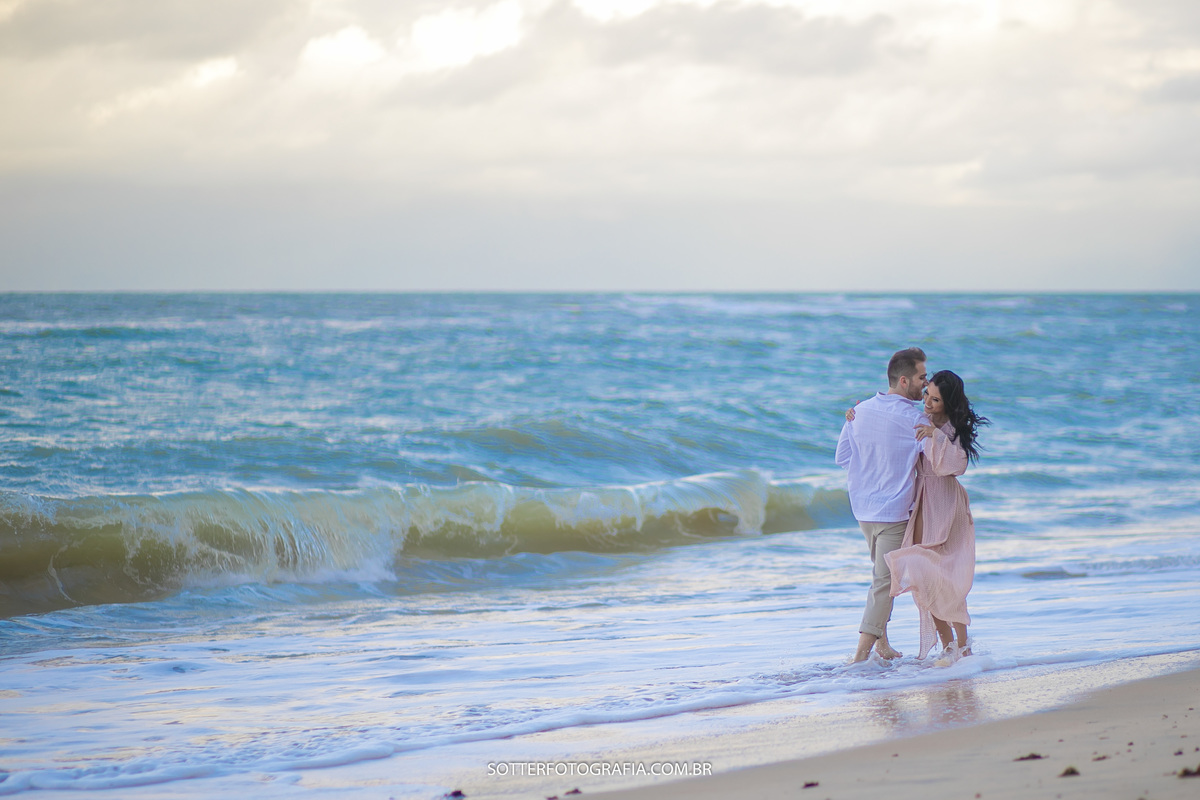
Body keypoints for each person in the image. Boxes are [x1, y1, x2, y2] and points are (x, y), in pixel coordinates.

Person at [885, 370, 989, 663]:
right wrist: (859, 415)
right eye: (927, 395)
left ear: (948, 403)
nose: (927, 403)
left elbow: (955, 466)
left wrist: (937, 436)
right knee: (924, 576)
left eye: (935, 400)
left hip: (947, 503)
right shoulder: (920, 419)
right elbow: (889, 431)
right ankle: (947, 646)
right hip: (923, 502)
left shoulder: (952, 428)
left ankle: (964, 646)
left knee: (947, 578)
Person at [835, 347, 928, 663]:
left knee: (881, 575)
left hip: (862, 508)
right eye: (921, 377)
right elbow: (935, 459)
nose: (925, 385)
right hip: (893, 510)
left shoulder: (859, 411)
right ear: (904, 381)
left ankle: (882, 644)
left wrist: (871, 473)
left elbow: (843, 457)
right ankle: (860, 655)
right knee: (884, 582)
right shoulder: (913, 418)